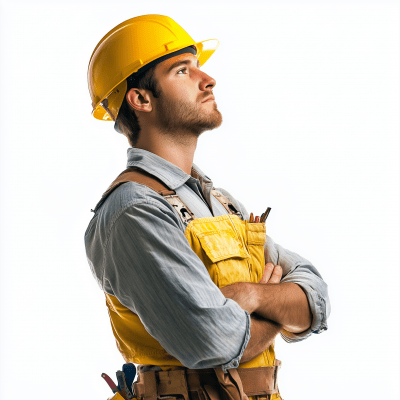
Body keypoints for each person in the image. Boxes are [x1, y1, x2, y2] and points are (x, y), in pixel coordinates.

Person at [85, 15, 330, 400]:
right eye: (182, 70)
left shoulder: (223, 203)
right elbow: (214, 342)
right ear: (141, 99)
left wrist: (254, 296)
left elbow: (316, 300)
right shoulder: (134, 212)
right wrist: (279, 310)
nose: (208, 79)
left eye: (200, 66)